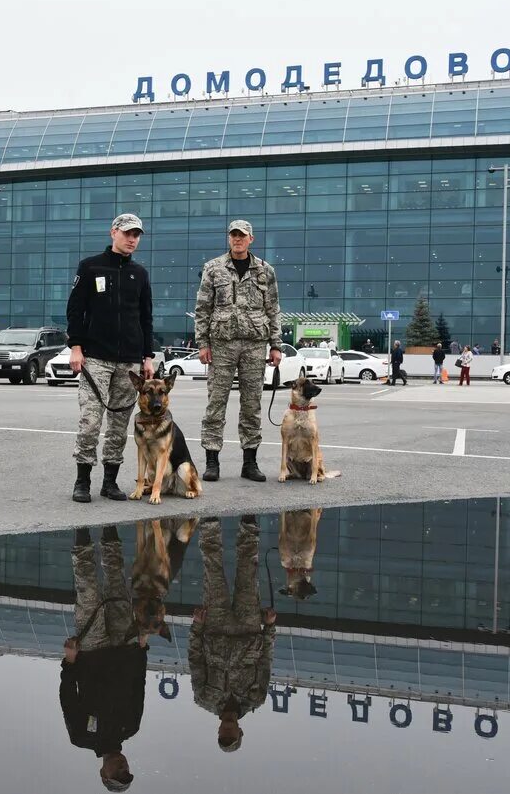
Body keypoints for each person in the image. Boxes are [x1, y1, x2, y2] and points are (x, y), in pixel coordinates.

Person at [67, 213, 155, 503]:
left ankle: (110, 482)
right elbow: (75, 310)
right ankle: (82, 481)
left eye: (137, 235)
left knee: (119, 426)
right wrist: (76, 347)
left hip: (129, 362)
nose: (132, 239)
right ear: (113, 232)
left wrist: (147, 357)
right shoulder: (90, 266)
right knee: (91, 421)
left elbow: (146, 318)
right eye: (128, 233)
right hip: (96, 358)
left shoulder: (140, 274)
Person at [194, 219, 282, 484]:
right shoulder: (213, 268)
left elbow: (274, 309)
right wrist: (202, 343)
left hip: (255, 344)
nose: (238, 239)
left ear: (251, 239)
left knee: (252, 404)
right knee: (216, 403)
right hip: (221, 344)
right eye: (233, 235)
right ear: (228, 238)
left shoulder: (265, 271)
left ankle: (250, 462)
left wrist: (276, 344)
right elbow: (202, 308)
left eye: (242, 236)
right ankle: (212, 461)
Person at [61, 526, 146, 792]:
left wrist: (70, 662)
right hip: (124, 644)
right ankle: (110, 528)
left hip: (91, 651)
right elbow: (138, 685)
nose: (123, 768)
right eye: (127, 771)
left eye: (117, 773)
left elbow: (67, 696)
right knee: (116, 583)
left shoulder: (82, 737)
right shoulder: (131, 727)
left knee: (87, 589)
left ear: (103, 772)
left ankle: (82, 532)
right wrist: (142, 647)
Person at [189, 516, 276, 754]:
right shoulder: (256, 698)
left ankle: (209, 523)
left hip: (215, 627)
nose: (227, 731)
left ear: (218, 732)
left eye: (223, 735)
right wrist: (269, 627)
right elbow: (265, 660)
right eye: (232, 735)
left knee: (212, 570)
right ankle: (249, 524)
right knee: (248, 570)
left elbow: (195, 660)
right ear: (240, 732)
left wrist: (197, 626)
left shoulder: (204, 698)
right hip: (249, 628)